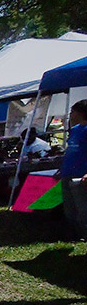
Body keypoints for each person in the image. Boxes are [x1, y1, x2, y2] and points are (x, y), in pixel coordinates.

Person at [58, 100, 87, 239]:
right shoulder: (75, 130)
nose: (70, 115)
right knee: (69, 209)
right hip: (67, 173)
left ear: (81, 113)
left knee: (83, 208)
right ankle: (75, 234)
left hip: (81, 176)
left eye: (73, 112)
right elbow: (70, 151)